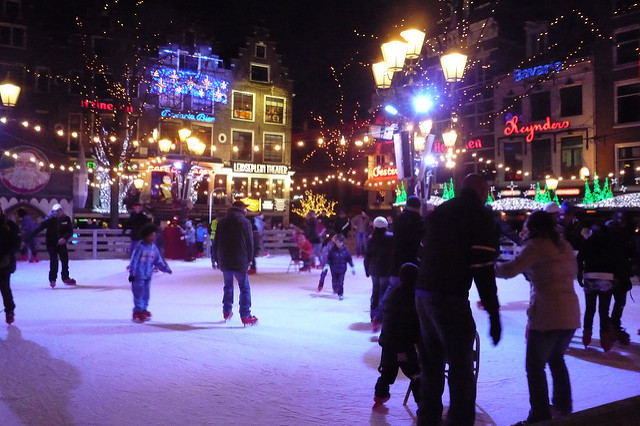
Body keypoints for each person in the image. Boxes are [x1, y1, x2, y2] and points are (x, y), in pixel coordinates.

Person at [415, 174, 501, 426]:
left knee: (431, 362)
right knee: (461, 365)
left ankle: (428, 418)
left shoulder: (441, 211)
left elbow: (424, 248)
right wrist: (493, 314)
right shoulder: (480, 215)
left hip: (424, 294)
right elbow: (483, 268)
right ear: (483, 190)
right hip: (449, 296)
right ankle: (460, 421)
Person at [495, 211, 580, 423]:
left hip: (547, 314)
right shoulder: (564, 245)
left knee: (534, 366)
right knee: (556, 359)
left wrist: (487, 268)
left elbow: (509, 269)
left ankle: (540, 413)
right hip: (570, 313)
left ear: (532, 227)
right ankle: (563, 407)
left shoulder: (536, 246)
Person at [373, 262, 421, 412]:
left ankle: (380, 395)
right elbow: (414, 321)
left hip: (388, 342)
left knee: (387, 370)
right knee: (415, 374)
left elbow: (383, 310)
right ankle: (423, 405)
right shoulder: (412, 297)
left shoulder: (392, 293)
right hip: (403, 344)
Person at [212, 200, 258, 326]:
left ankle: (226, 311)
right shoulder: (245, 222)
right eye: (245, 208)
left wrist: (216, 258)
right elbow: (250, 243)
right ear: (242, 209)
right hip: (240, 258)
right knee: (244, 288)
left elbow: (215, 241)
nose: (246, 211)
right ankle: (246, 315)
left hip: (225, 259)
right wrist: (250, 260)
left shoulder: (221, 222)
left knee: (228, 286)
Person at [577, 223, 617, 351]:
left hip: (590, 277)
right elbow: (617, 260)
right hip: (606, 278)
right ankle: (605, 340)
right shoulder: (611, 243)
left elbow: (579, 258)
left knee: (590, 309)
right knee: (604, 310)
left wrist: (580, 273)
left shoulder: (588, 242)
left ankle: (586, 337)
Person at [128, 224, 172, 323]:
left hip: (148, 274)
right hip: (138, 275)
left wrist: (165, 268)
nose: (153, 237)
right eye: (151, 235)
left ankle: (143, 309)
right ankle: (138, 311)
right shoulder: (139, 247)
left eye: (154, 235)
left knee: (146, 293)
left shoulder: (153, 248)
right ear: (145, 236)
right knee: (138, 293)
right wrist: (132, 273)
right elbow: (134, 261)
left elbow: (158, 261)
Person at [26, 204, 77, 288]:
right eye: (56, 211)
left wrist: (64, 238)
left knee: (65, 260)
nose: (58, 212)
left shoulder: (66, 219)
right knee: (54, 261)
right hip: (51, 244)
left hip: (62, 243)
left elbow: (69, 231)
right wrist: (28, 237)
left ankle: (65, 277)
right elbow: (39, 228)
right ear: (53, 212)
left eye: (60, 210)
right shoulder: (49, 220)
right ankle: (52, 279)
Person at [604, 210, 635, 346]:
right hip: (609, 273)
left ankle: (614, 324)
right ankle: (608, 328)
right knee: (606, 302)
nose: (622, 222)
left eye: (624, 220)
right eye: (620, 219)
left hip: (622, 273)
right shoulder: (609, 233)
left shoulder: (628, 234)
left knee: (620, 301)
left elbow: (631, 252)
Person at [364, 216, 394, 330]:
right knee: (384, 292)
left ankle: (373, 314)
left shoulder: (371, 239)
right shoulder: (391, 237)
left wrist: (367, 269)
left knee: (375, 291)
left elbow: (367, 255)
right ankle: (380, 316)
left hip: (374, 269)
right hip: (386, 269)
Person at [390, 195, 423, 288]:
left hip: (396, 264)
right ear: (418, 207)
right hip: (414, 263)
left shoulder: (398, 220)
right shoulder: (420, 222)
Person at [0, 206, 21, 324]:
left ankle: (9, 310)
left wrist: (8, 254)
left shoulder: (9, 225)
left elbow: (17, 240)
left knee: (4, 287)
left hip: (5, 262)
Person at [321, 233, 355, 300]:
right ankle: (335, 288)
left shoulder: (346, 251)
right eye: (337, 242)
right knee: (334, 281)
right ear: (335, 242)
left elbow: (349, 259)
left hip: (342, 269)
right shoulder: (332, 250)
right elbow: (329, 259)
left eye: (340, 242)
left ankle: (340, 294)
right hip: (334, 269)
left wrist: (352, 267)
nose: (339, 244)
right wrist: (327, 265)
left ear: (343, 242)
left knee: (341, 282)